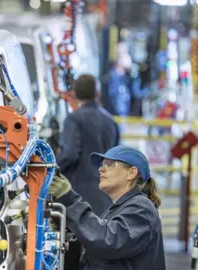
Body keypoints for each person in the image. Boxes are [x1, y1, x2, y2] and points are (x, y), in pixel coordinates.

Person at [50, 145, 166, 269]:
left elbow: (106, 241)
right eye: (102, 164)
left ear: (132, 173)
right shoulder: (119, 209)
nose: (101, 169)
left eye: (110, 164)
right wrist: (66, 226)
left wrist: (69, 200)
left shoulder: (142, 208)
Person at [56, 74, 119, 268]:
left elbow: (70, 154)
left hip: (78, 197)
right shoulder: (111, 122)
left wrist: (50, 170)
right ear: (97, 93)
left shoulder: (74, 119)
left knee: (73, 255)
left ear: (74, 94)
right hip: (107, 199)